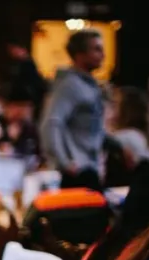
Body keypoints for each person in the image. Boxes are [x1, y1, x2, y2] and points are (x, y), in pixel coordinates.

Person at [39, 29, 106, 190]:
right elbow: (51, 123)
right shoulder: (70, 85)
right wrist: (64, 162)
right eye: (96, 49)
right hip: (78, 170)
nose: (102, 55)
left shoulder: (88, 85)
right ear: (80, 55)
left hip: (89, 166)